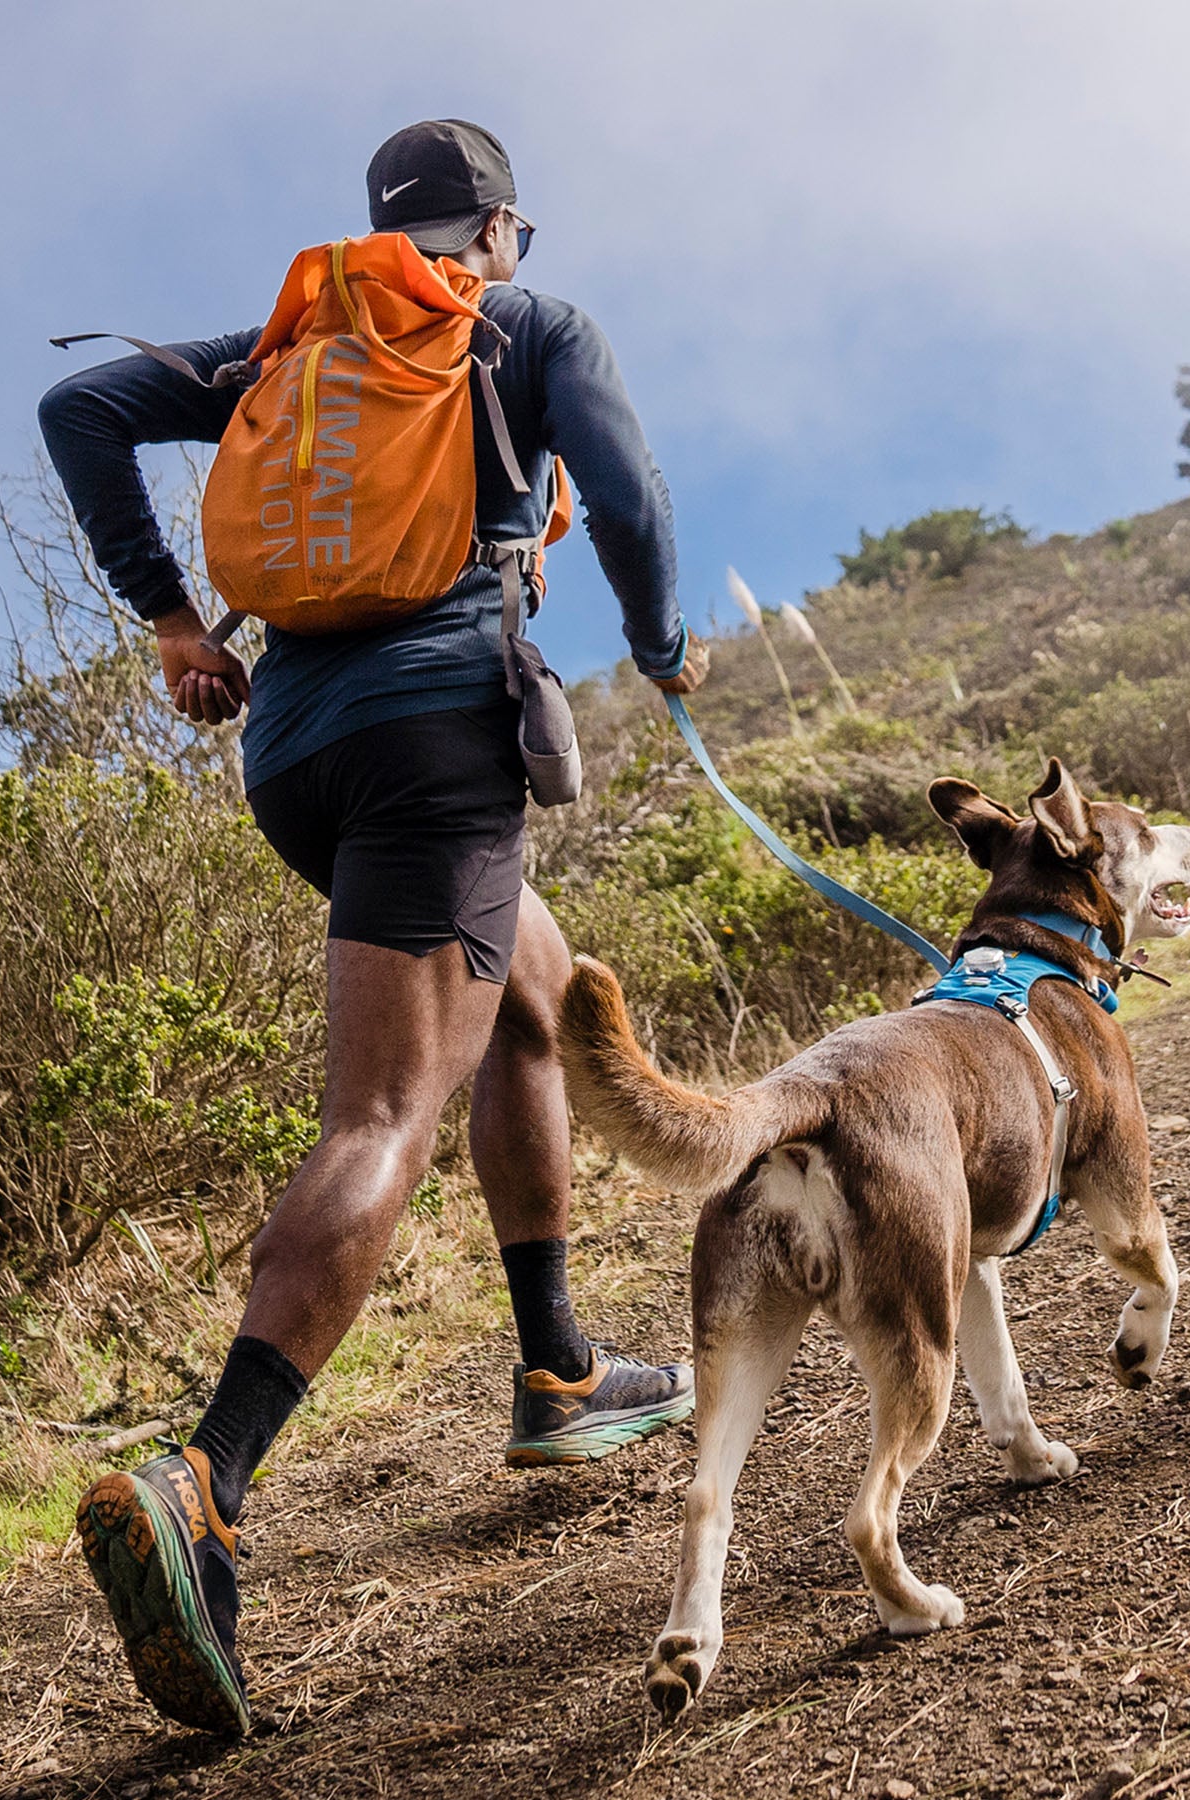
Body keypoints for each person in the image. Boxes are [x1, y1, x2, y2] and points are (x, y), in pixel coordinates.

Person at [37, 119, 710, 1735]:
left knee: (530, 993)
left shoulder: (293, 340)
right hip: (434, 740)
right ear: (490, 233)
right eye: (514, 237)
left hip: (296, 751)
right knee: (388, 1111)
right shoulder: (522, 326)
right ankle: (206, 1486)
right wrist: (665, 642)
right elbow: (624, 496)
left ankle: (554, 1369)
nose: (514, 261)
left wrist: (174, 621)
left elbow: (80, 406)